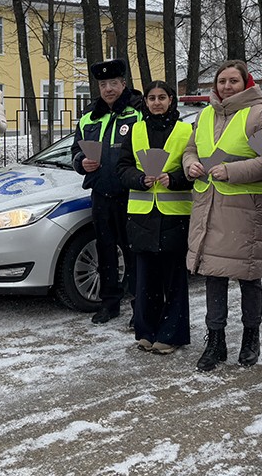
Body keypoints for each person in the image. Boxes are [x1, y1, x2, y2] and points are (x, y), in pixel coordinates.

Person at [182, 59, 262, 371]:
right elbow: (190, 150)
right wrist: (190, 165)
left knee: (248, 277)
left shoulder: (258, 116)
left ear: (246, 84)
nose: (226, 86)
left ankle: (251, 337)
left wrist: (232, 170)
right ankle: (216, 340)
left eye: (233, 81)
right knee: (214, 276)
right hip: (207, 208)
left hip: (245, 211)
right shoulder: (205, 114)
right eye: (222, 81)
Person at [117, 80, 192, 355]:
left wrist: (174, 179)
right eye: (152, 98)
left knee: (174, 279)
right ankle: (146, 331)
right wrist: (139, 178)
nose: (157, 102)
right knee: (145, 278)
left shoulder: (186, 130)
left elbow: (194, 169)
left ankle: (172, 334)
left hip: (175, 215)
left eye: (162, 97)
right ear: (146, 102)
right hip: (142, 216)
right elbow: (122, 168)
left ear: (171, 100)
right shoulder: (136, 130)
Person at [71, 59, 143, 325]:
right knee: (106, 252)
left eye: (114, 83)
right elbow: (75, 151)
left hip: (132, 195)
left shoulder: (138, 111)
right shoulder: (90, 115)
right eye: (103, 84)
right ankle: (109, 303)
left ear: (123, 84)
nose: (109, 88)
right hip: (101, 194)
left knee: (134, 252)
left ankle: (139, 306)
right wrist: (81, 162)